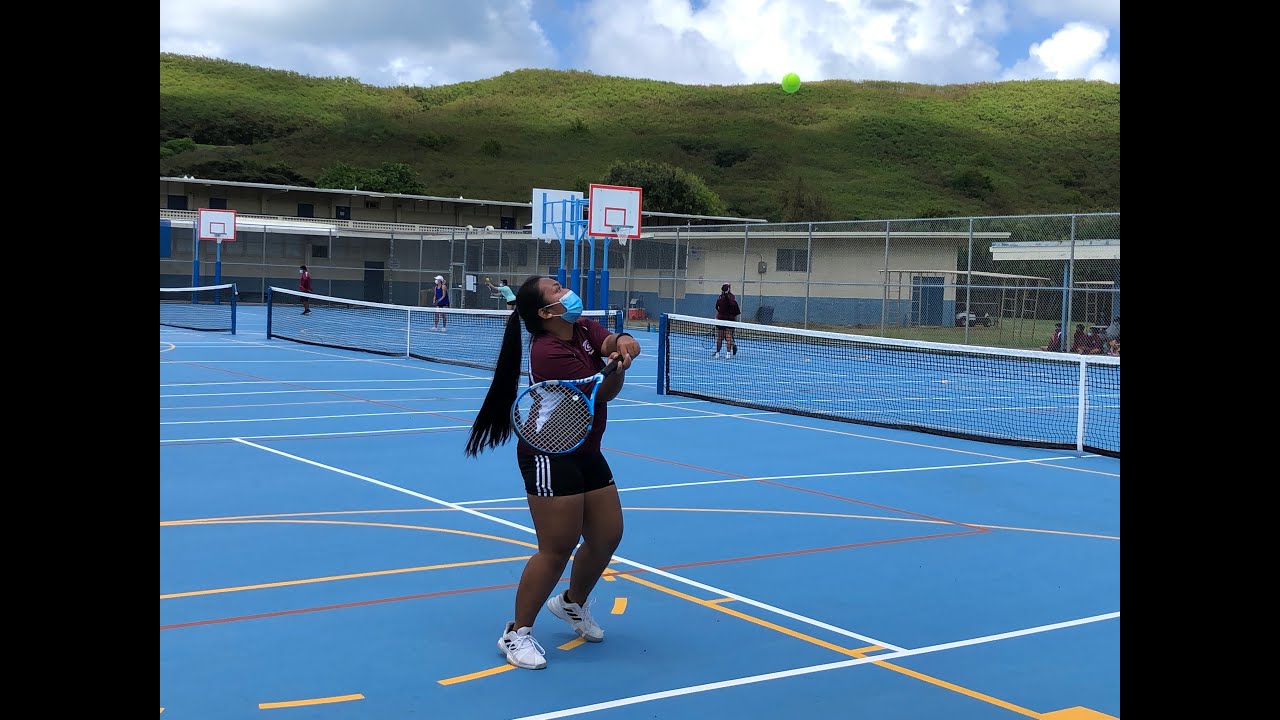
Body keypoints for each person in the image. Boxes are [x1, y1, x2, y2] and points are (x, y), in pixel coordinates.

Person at [464, 276, 641, 671]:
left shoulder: (581, 327)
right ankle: (516, 633)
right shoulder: (547, 352)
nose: (567, 291)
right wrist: (619, 366)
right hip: (550, 454)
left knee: (607, 535)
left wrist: (624, 340)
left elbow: (608, 341)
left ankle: (571, 603)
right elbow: (603, 392)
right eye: (557, 290)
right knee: (557, 547)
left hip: (586, 449)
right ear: (546, 313)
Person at [713, 283, 740, 359]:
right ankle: (728, 354)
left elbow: (717, 308)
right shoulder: (733, 300)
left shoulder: (719, 300)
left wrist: (718, 317)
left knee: (720, 338)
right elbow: (736, 312)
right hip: (729, 321)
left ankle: (718, 353)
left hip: (721, 321)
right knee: (728, 338)